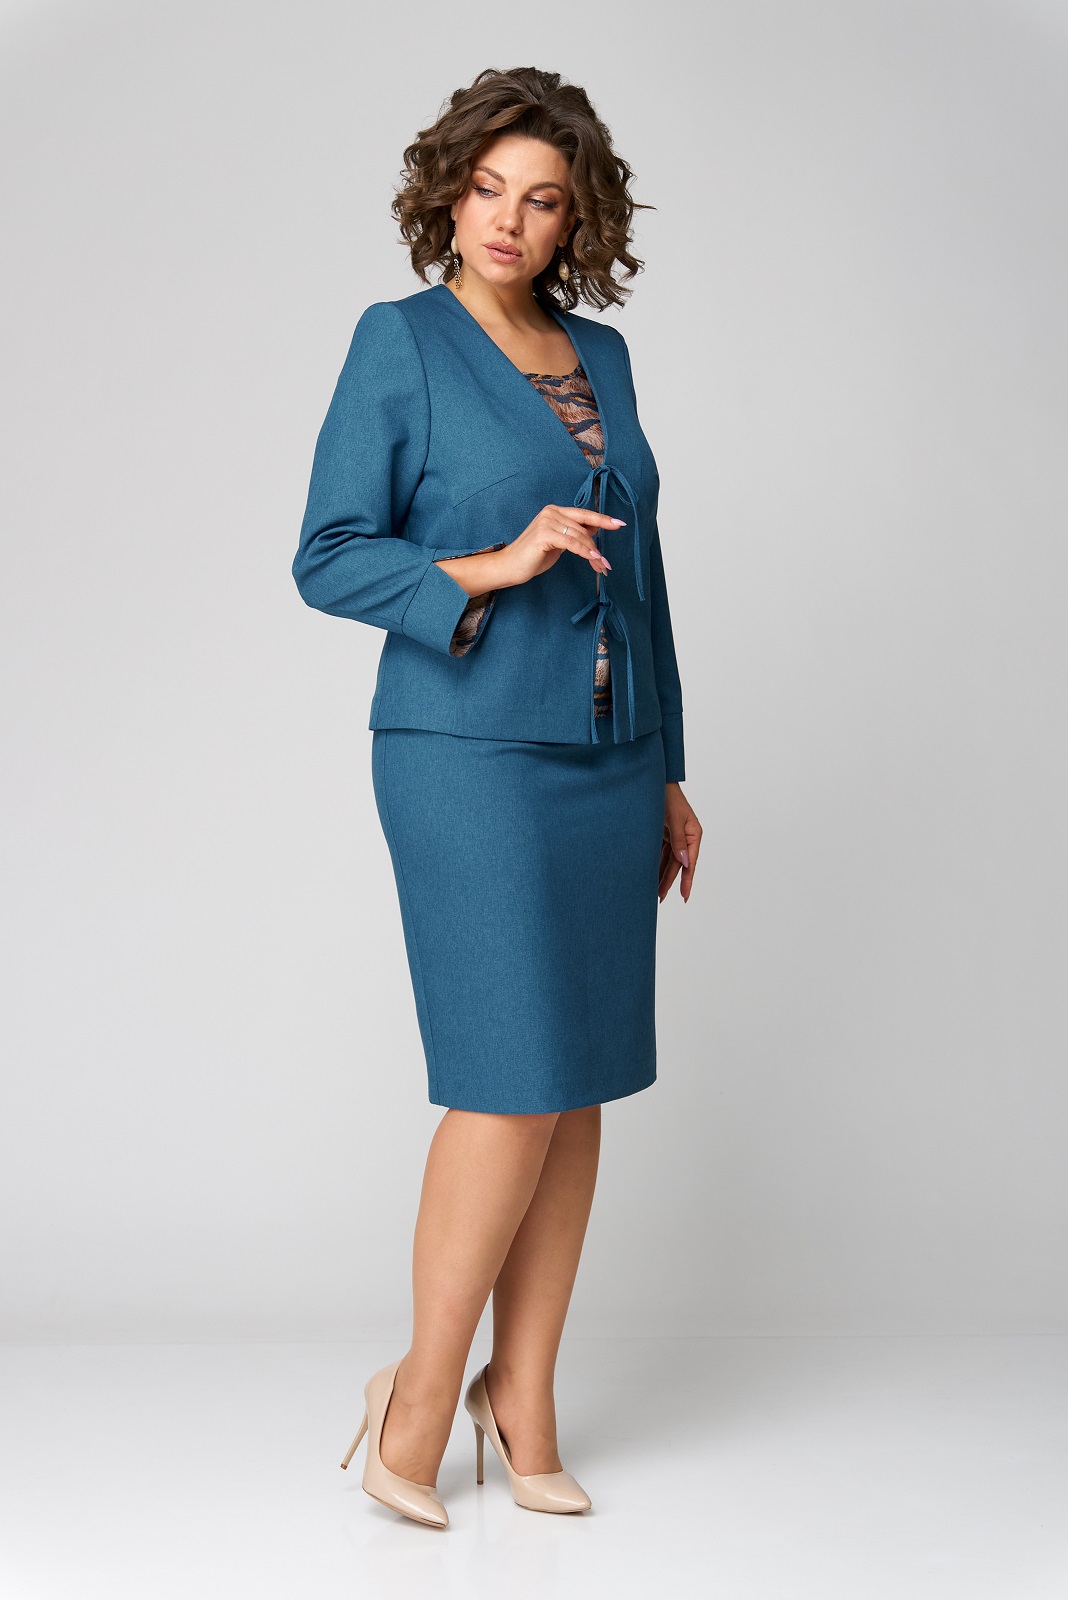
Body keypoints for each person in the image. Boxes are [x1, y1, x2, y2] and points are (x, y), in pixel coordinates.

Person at [292, 65, 702, 1528]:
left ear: (575, 219)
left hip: (608, 759)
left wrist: (667, 766)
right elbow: (329, 553)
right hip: (465, 751)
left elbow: (643, 575)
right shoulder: (398, 343)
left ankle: (522, 1399)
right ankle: (415, 1395)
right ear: (448, 195)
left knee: (576, 1086)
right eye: (486, 190)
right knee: (509, 1082)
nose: (509, 221)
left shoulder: (605, 357)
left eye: (541, 199)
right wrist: (488, 565)